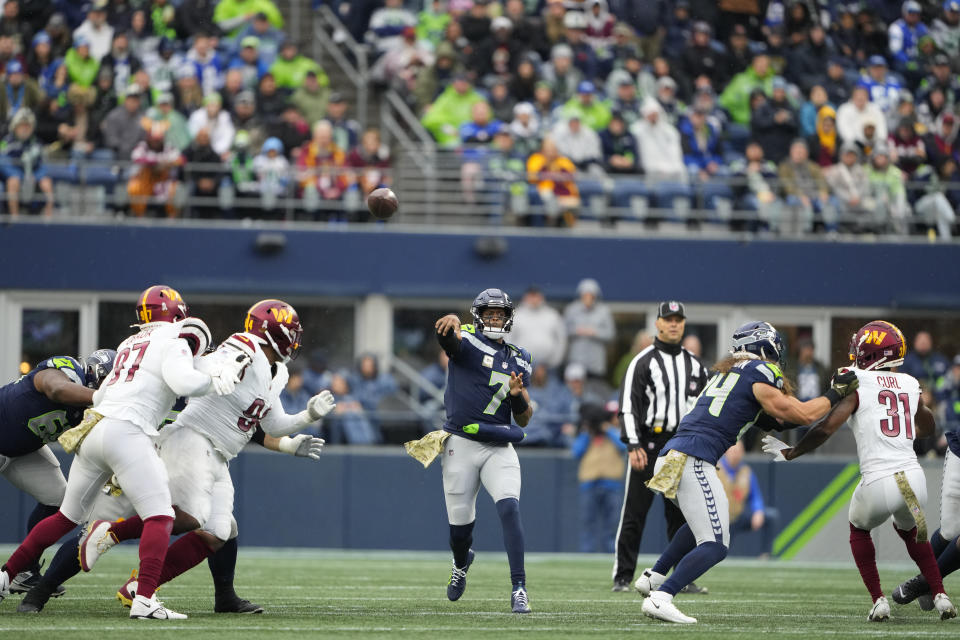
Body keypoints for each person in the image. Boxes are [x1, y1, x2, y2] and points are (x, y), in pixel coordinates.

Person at [0, 286, 249, 619]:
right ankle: (144, 598)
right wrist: (214, 379)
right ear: (178, 317)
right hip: (130, 437)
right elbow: (186, 383)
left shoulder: (130, 344)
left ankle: (6, 575)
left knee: (66, 516)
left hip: (98, 432)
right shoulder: (174, 342)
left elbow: (108, 395)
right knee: (160, 516)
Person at [72, 301, 335, 613]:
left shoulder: (278, 372)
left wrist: (307, 416)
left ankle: (139, 585)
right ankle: (111, 533)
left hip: (218, 454)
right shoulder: (245, 345)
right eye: (291, 332)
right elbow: (206, 364)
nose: (295, 339)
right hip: (193, 438)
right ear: (271, 331)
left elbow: (273, 424)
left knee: (219, 531)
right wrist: (218, 371)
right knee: (192, 515)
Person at [636, 321, 860, 624]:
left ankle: (654, 576)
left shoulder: (727, 374)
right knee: (715, 544)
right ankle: (662, 597)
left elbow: (780, 421)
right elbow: (804, 413)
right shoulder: (760, 371)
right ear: (763, 346)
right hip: (693, 458)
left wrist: (827, 399)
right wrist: (835, 393)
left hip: (673, 455)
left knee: (700, 523)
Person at [762, 321, 956, 622]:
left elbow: (826, 428)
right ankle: (941, 596)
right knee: (913, 533)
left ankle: (878, 600)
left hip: (879, 481)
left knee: (858, 528)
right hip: (913, 481)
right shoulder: (908, 382)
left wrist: (791, 452)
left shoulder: (856, 381)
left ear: (871, 353)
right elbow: (929, 427)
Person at [406, 288, 534, 613]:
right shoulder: (467, 340)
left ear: (508, 318)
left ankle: (519, 588)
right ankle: (461, 563)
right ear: (478, 315)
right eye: (489, 313)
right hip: (460, 443)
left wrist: (517, 396)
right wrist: (449, 325)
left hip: (498, 445)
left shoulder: (520, 357)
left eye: (500, 314)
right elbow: (450, 341)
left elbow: (524, 416)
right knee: (460, 531)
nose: (495, 318)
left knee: (510, 509)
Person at [0, 350, 114, 596]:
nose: (111, 388)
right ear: (96, 373)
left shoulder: (91, 410)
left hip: (23, 453)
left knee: (58, 499)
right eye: (109, 382)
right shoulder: (66, 369)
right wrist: (101, 397)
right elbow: (55, 390)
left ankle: (24, 571)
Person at [612, 301, 707, 593]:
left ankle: (683, 576)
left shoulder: (695, 365)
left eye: (679, 319)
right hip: (649, 444)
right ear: (658, 324)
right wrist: (633, 444)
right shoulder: (642, 362)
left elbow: (705, 410)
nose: (674, 324)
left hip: (680, 447)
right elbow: (628, 407)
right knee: (634, 514)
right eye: (668, 319)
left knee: (681, 516)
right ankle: (623, 577)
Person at [573, 402, 626, 553]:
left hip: (612, 485)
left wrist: (607, 428)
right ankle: (586, 553)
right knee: (587, 522)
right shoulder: (587, 434)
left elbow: (623, 446)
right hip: (589, 484)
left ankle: (612, 554)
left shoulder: (616, 432)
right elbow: (576, 451)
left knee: (613, 523)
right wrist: (587, 431)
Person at [717, 441, 773, 555]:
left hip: (738, 515)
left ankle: (765, 555)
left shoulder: (746, 471)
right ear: (726, 452)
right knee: (719, 552)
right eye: (733, 451)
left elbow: (755, 496)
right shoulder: (716, 469)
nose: (736, 455)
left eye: (738, 451)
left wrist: (758, 511)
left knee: (771, 517)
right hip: (719, 519)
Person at [0, 108, 53, 217]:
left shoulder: (36, 142)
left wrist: (33, 173)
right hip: (14, 172)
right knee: (13, 182)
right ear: (15, 127)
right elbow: (2, 161)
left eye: (27, 126)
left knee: (47, 183)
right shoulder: (6, 142)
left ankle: (48, 221)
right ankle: (15, 219)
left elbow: (42, 163)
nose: (25, 129)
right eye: (22, 125)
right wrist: (17, 171)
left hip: (34, 172)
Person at [564, 278, 614, 383]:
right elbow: (564, 331)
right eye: (585, 295)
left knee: (595, 391)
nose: (588, 298)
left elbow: (611, 334)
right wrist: (576, 331)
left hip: (596, 363)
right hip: (576, 361)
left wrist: (595, 332)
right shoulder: (571, 310)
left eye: (590, 295)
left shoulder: (604, 311)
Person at [509, 286, 567, 375]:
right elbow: (508, 340)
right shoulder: (516, 315)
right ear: (525, 297)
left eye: (536, 296)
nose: (534, 299)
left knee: (551, 389)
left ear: (541, 297)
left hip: (548, 367)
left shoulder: (552, 315)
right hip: (521, 366)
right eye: (531, 296)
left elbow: (561, 339)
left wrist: (554, 362)